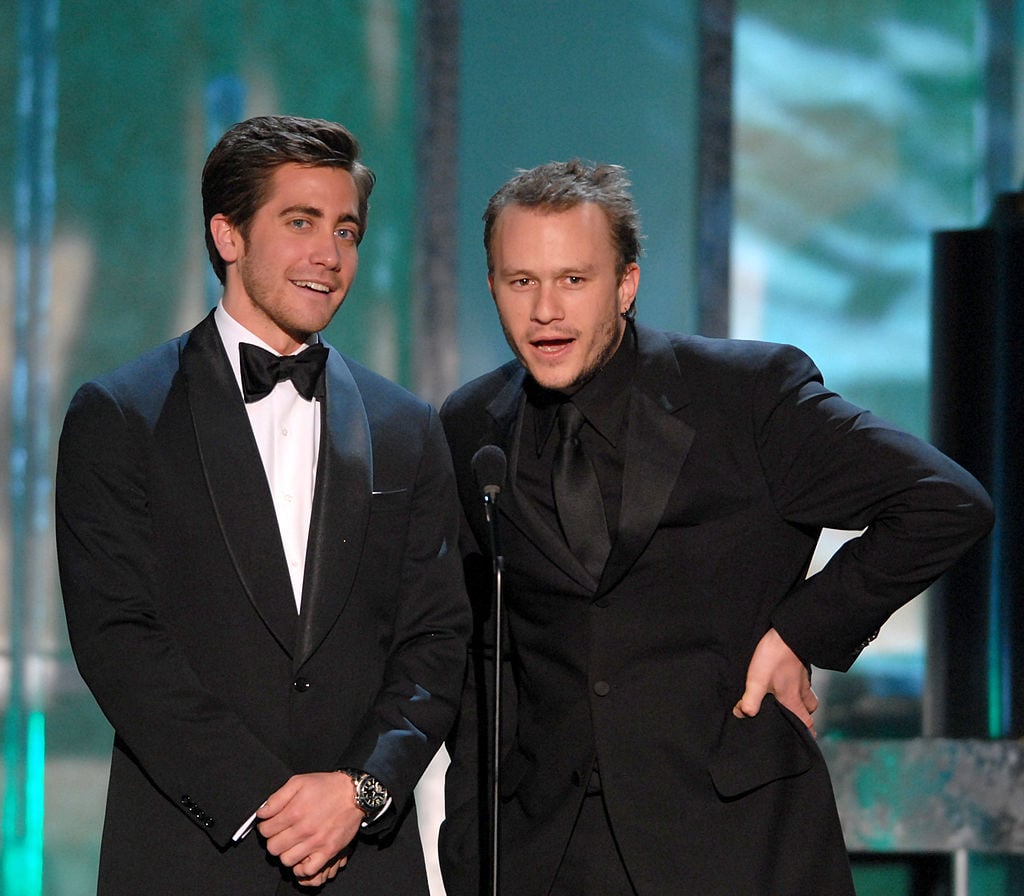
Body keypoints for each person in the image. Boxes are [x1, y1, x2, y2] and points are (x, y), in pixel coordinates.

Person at [438, 159, 994, 895]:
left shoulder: (747, 396)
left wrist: (801, 631)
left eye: (573, 279)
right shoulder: (471, 424)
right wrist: (474, 849)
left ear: (626, 284)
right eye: (521, 282)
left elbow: (944, 501)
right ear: (492, 288)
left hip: (734, 844)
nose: (546, 310)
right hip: (546, 854)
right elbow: (486, 655)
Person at [55, 115, 470, 895]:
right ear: (228, 235)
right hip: (191, 855)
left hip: (366, 862)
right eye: (300, 223)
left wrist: (362, 791)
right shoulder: (121, 416)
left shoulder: (406, 428)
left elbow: (437, 639)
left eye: (345, 230)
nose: (330, 255)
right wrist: (267, 802)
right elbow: (118, 639)